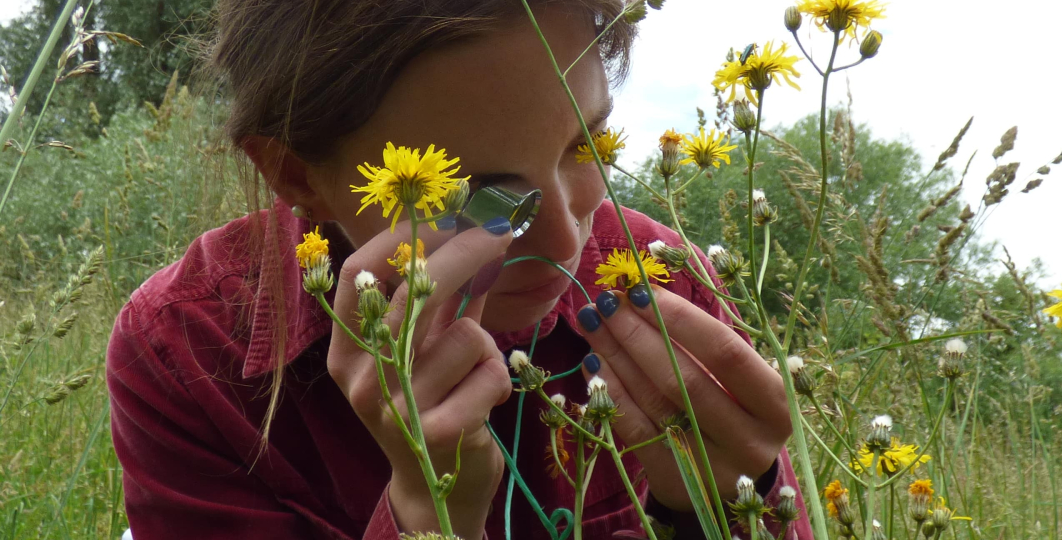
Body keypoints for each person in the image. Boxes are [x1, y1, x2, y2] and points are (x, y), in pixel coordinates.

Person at [105, 1, 806, 538]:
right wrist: (426, 512)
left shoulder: (658, 277)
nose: (566, 236)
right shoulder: (188, 354)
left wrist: (732, 504)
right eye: (479, 193)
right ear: (298, 176)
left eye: (585, 145)